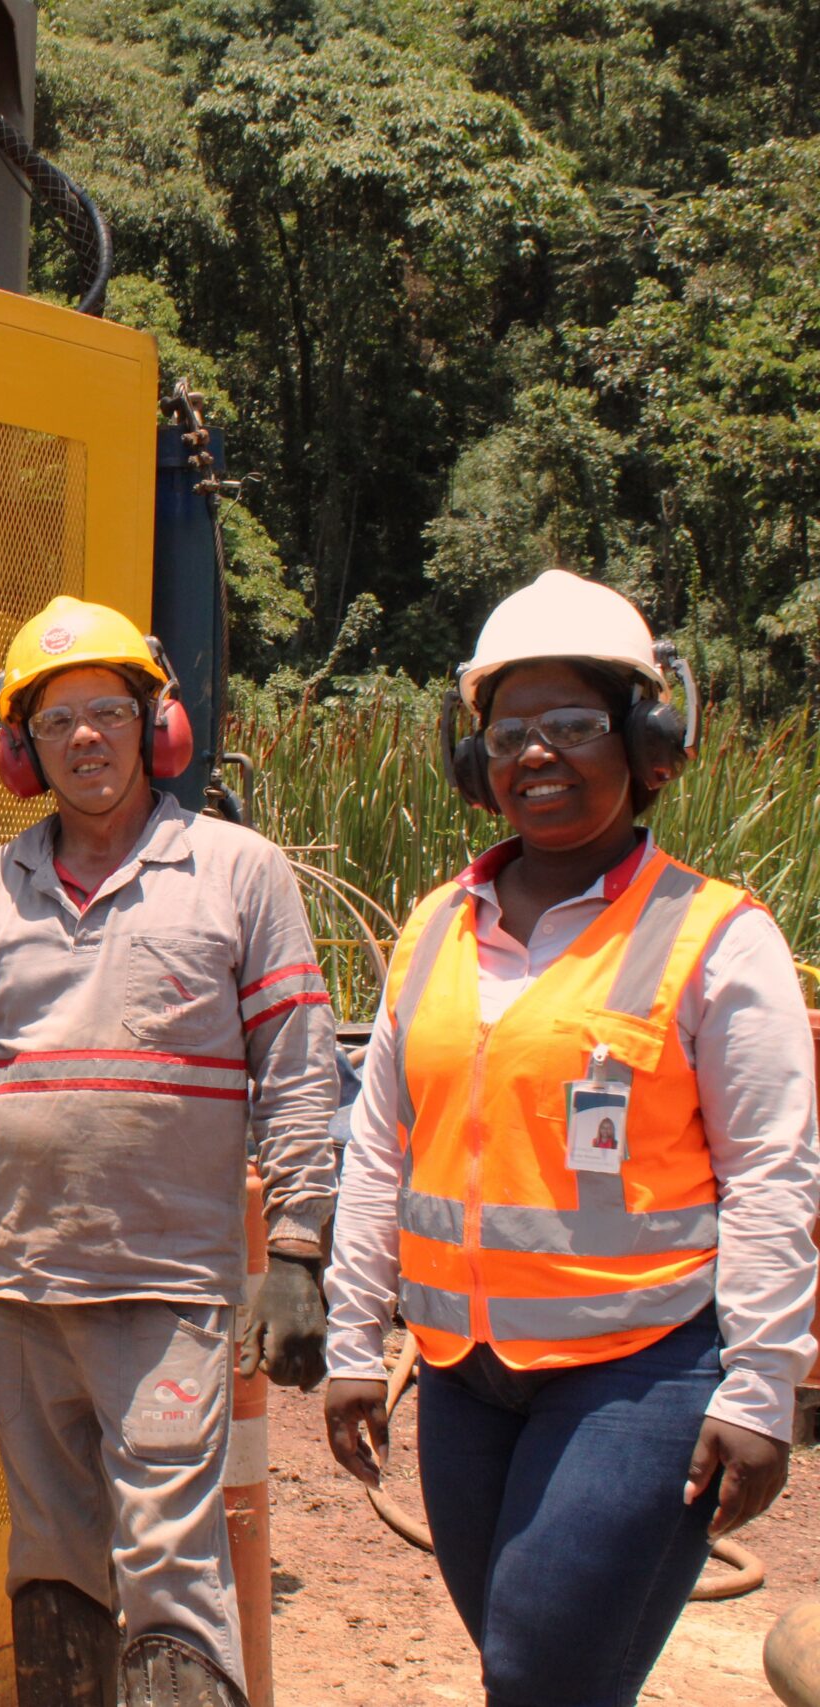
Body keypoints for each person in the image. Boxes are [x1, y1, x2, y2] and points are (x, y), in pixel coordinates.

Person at [321, 569, 819, 1707]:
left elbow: (775, 1177)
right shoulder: (434, 930)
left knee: (537, 1673)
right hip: (458, 1375)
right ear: (474, 759)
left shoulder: (717, 939)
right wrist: (355, 1341)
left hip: (641, 1369)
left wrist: (760, 1390)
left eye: (574, 725)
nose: (535, 754)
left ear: (647, 743)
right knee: (534, 1668)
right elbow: (381, 1155)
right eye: (508, 733)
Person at [0, 596, 340, 1707]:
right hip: (27, 1292)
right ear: (22, 750)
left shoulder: (238, 874)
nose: (86, 739)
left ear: (158, 727)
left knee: (166, 1567)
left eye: (108, 712)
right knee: (49, 1556)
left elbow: (295, 1066)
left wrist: (295, 1250)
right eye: (56, 723)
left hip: (170, 1297)